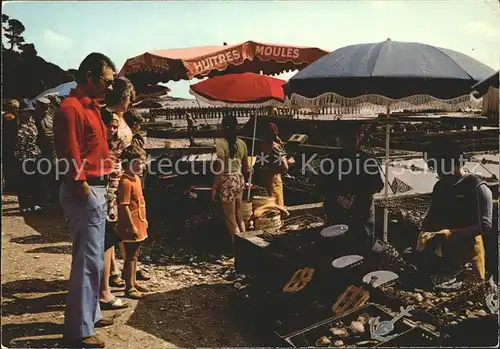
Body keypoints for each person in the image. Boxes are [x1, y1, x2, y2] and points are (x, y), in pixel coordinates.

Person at [55, 52, 115, 348]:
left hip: (96, 188)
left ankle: (90, 313)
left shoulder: (91, 107)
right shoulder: (71, 109)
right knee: (87, 261)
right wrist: (84, 191)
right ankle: (80, 330)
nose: (109, 87)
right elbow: (70, 155)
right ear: (90, 77)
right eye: (107, 80)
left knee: (94, 260)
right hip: (86, 189)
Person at [417, 139, 493, 280]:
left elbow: (485, 226)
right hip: (446, 252)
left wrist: (451, 233)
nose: (438, 172)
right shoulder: (440, 187)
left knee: (471, 292)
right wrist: (424, 231)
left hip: (469, 251)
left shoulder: (477, 187)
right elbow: (432, 214)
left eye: (440, 167)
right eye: (434, 167)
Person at [319, 125, 384, 248]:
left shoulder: (367, 160)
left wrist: (356, 196)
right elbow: (321, 186)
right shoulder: (330, 160)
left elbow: (378, 185)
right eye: (346, 140)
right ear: (340, 140)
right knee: (339, 247)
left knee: (362, 246)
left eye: (352, 140)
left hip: (362, 214)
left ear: (358, 139)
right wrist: (338, 196)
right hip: (337, 213)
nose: (349, 144)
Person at [99, 113, 130, 311]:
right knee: (107, 238)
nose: (111, 129)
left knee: (109, 236)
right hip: (105, 190)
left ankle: (113, 274)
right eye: (109, 125)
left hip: (113, 189)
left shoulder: (115, 144)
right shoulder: (102, 145)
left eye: (114, 126)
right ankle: (105, 287)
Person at [212, 114, 250, 244]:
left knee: (230, 217)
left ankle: (239, 247)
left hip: (228, 180)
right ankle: (247, 244)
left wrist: (214, 186)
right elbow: (247, 167)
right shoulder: (242, 143)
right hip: (239, 178)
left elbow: (220, 168)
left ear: (223, 127)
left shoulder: (220, 143)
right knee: (239, 216)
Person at [117, 144, 149, 299]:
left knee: (135, 255)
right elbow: (124, 207)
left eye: (142, 162)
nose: (141, 166)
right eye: (138, 162)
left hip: (139, 221)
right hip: (131, 225)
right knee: (130, 256)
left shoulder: (135, 178)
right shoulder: (125, 182)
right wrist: (131, 226)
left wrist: (144, 221)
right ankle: (128, 287)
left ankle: (133, 281)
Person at [14, 99, 44, 213]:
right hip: (21, 156)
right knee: (23, 182)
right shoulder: (15, 123)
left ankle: (36, 204)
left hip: (34, 155)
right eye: (26, 111)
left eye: (31, 111)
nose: (29, 113)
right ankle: (25, 205)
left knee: (35, 181)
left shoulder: (33, 121)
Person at [255, 123, 288, 207]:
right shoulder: (263, 147)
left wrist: (268, 170)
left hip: (273, 180)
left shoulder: (275, 148)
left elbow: (284, 167)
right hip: (264, 180)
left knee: (276, 206)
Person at [35, 96, 59, 205]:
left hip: (53, 148)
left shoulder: (51, 115)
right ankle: (42, 199)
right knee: (42, 174)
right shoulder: (34, 117)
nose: (45, 109)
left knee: (54, 172)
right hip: (41, 149)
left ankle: (53, 197)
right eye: (42, 107)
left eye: (47, 107)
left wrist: (55, 100)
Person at [124, 110, 147, 188]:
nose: (140, 127)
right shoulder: (127, 137)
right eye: (139, 125)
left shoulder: (136, 137)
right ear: (135, 125)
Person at [2, 99, 20, 192]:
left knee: (7, 166)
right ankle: (11, 185)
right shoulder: (10, 118)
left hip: (5, 144)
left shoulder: (4, 116)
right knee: (11, 165)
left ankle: (9, 184)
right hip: (10, 145)